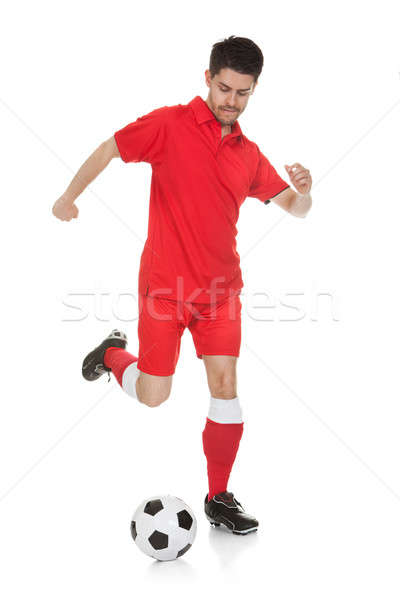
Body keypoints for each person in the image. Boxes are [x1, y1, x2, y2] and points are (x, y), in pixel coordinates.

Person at [52, 35, 312, 535]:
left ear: (254, 91)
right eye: (223, 87)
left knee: (226, 388)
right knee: (154, 396)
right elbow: (111, 147)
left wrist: (305, 194)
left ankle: (218, 497)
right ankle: (111, 355)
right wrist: (68, 197)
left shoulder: (249, 154)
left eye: (242, 92)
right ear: (208, 78)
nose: (230, 101)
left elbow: (294, 209)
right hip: (164, 291)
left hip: (221, 295)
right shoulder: (170, 124)